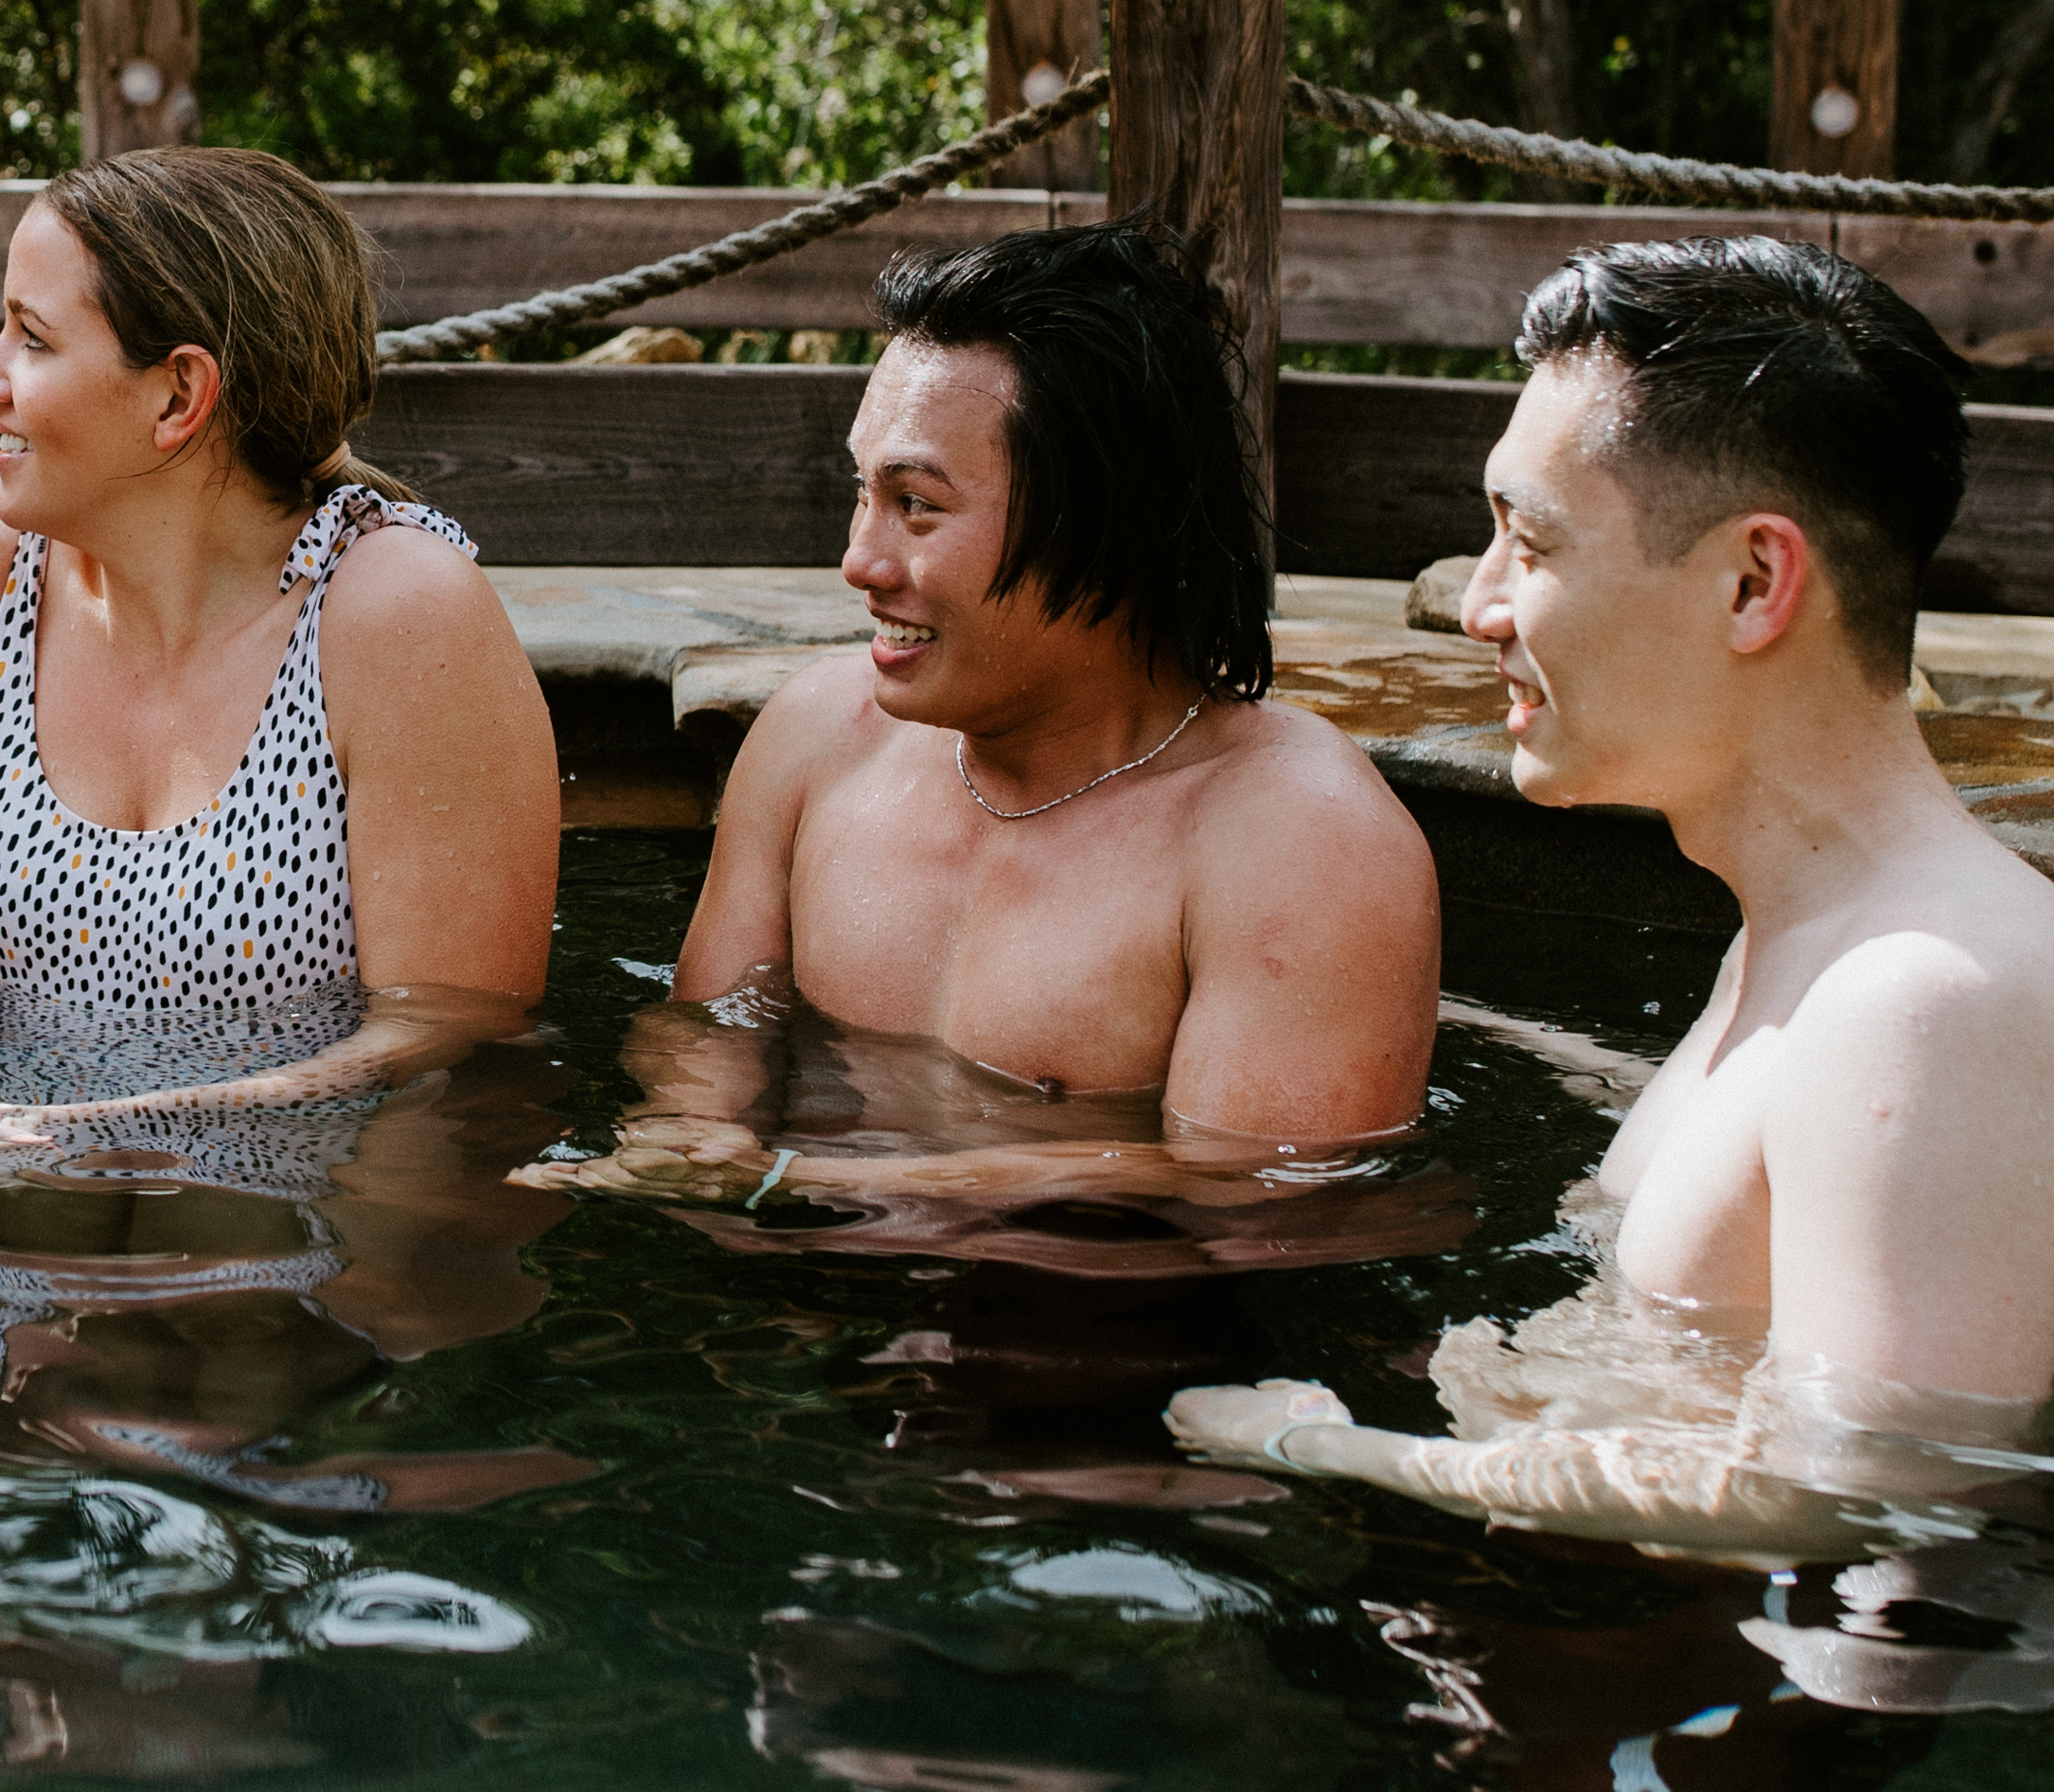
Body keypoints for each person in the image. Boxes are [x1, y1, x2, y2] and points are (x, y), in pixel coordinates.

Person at [1168, 235, 2054, 1557]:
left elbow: (1876, 1502)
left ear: (1755, 584)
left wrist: (1331, 1450)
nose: (1477, 605)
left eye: (1531, 540)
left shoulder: (1933, 1002)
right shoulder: (1808, 943)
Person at [559, 224, 1438, 1198]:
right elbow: (709, 1034)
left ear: (1098, 523)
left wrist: (808, 1182)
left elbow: (1265, 1203)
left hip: (1125, 1333)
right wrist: (689, 1142)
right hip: (826, 1302)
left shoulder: (1295, 839)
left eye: (916, 505)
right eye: (863, 493)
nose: (860, 559)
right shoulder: (815, 739)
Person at [0, 148, 559, 1123]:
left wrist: (117, 1127)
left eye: (30, 338)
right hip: (10, 1199)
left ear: (176, 396)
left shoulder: (398, 612)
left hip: (290, 1223)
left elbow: (445, 1038)